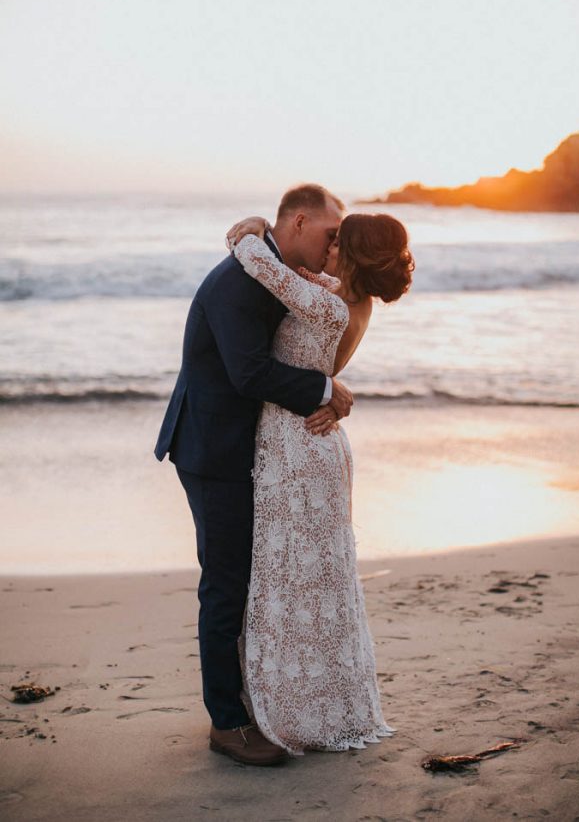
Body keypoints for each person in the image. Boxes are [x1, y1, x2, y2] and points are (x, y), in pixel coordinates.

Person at [154, 184, 354, 766]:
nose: (333, 246)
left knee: (251, 582)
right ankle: (228, 723)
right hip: (213, 449)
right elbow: (248, 372)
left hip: (246, 447)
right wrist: (326, 392)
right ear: (295, 223)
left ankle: (259, 702)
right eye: (328, 235)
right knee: (225, 585)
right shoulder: (241, 279)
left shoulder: (269, 266)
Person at [226, 209, 414, 755]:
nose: (328, 247)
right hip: (311, 442)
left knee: (294, 577)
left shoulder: (330, 305)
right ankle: (315, 699)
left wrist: (252, 230)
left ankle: (300, 709)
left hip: (299, 447)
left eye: (337, 241)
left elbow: (263, 268)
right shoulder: (346, 299)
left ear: (349, 255)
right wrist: (331, 387)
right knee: (313, 581)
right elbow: (299, 282)